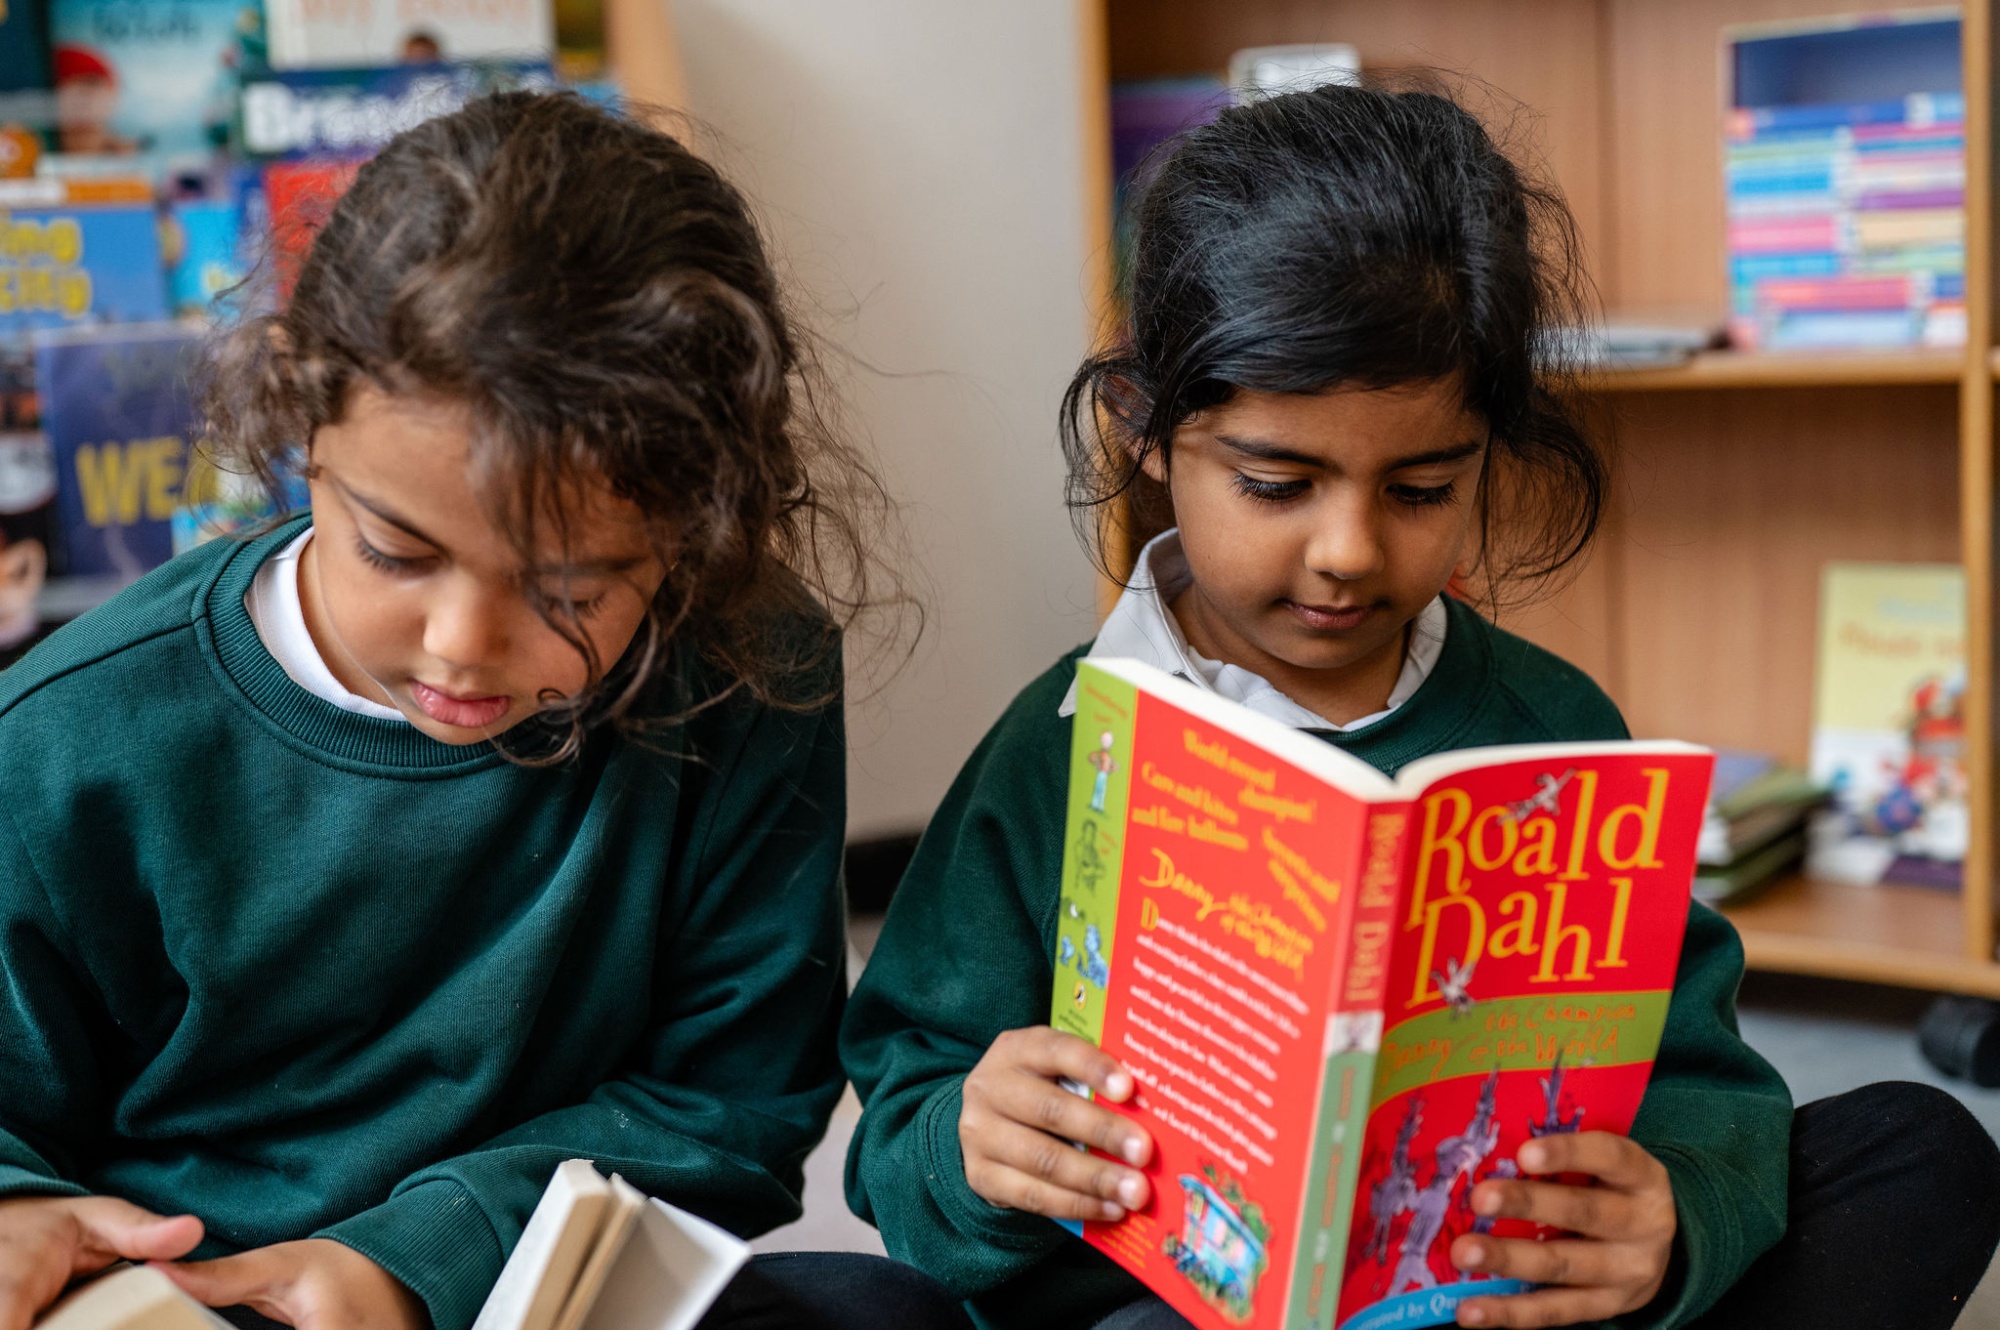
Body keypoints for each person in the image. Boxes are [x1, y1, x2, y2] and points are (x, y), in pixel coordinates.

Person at [841, 82, 2000, 1330]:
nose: (1346, 549)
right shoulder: (1054, 752)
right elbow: (898, 1126)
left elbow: (1702, 1078)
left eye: (1419, 487)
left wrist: (1665, 1219)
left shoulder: (1551, 726)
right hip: (1175, 1305)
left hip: (1496, 1296)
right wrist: (973, 1144)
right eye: (1277, 483)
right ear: (1145, 428)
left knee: (1915, 1147)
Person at [0, 92, 967, 1330]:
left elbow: (739, 1102)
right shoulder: (67, 739)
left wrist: (409, 1267)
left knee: (882, 1311)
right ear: (303, 420)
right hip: (202, 1292)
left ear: (700, 520)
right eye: (396, 552)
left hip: (539, 1280)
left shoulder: (749, 664)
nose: (463, 645)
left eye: (569, 589)